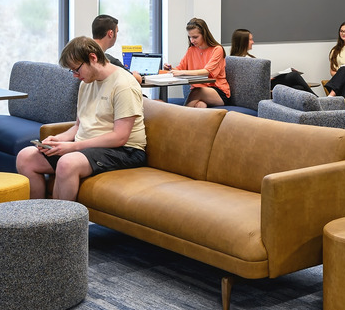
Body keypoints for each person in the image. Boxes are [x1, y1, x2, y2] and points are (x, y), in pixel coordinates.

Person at [15, 36, 147, 201]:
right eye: (72, 71)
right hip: (89, 146)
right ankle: (39, 219)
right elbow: (78, 125)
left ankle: (59, 225)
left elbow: (120, 137)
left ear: (93, 58)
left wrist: (73, 147)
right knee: (25, 158)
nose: (75, 76)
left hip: (125, 150)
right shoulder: (86, 83)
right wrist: (57, 140)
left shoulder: (123, 85)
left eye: (76, 69)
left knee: (67, 163)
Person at [164, 17, 230, 108]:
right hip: (200, 92)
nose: (192, 40)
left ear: (204, 34)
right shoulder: (192, 50)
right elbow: (180, 68)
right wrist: (171, 69)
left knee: (197, 91)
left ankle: (179, 116)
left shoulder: (217, 49)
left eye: (195, 37)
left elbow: (207, 72)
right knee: (200, 105)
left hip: (218, 92)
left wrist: (182, 72)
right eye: (190, 37)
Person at [232, 27, 313, 92]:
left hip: (265, 82)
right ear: (243, 41)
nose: (253, 42)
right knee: (294, 75)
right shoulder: (240, 61)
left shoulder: (247, 57)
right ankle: (318, 100)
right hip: (261, 86)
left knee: (298, 88)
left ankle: (315, 104)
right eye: (250, 39)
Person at [93, 14, 146, 86]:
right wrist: (136, 74)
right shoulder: (106, 60)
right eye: (116, 32)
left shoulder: (80, 54)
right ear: (110, 34)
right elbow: (136, 79)